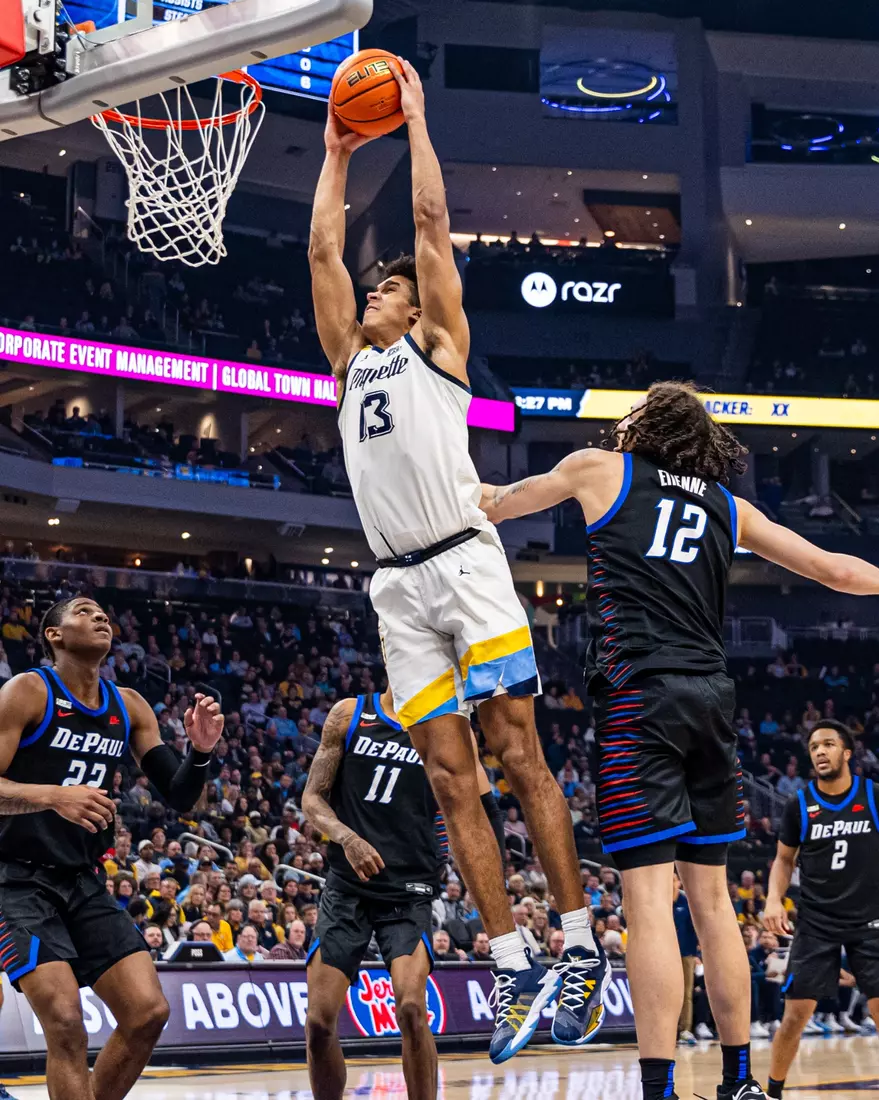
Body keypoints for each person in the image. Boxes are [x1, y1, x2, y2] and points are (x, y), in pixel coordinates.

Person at [309, 56, 604, 1064]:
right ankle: (516, 957)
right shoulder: (349, 364)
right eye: (377, 285)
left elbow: (432, 227)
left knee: (518, 753)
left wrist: (418, 122)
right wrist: (337, 156)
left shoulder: (438, 348)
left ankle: (577, 946)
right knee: (450, 778)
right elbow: (319, 259)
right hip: (396, 586)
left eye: (386, 284)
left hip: (467, 561)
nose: (378, 290)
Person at [482, 379, 879, 1100]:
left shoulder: (598, 469)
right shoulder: (727, 504)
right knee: (712, 900)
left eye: (630, 412)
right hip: (710, 701)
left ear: (647, 423)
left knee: (645, 903)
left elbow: (496, 502)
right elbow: (834, 570)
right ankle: (736, 1082)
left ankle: (658, 1089)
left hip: (640, 700)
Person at [0, 596, 223, 1100]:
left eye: (103, 613)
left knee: (148, 1013)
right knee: (65, 1023)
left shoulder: (129, 704)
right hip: (14, 880)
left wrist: (202, 752)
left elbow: (182, 795)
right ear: (53, 635)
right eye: (83, 611)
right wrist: (53, 797)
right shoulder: (28, 691)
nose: (100, 616)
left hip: (82, 879)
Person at [301, 687, 444, 1100]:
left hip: (408, 891)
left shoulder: (443, 727)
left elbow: (471, 804)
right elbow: (312, 797)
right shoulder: (349, 714)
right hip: (348, 888)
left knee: (412, 1008)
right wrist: (346, 837)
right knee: (318, 1022)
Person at [764, 720, 879, 1098]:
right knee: (795, 1016)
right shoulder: (800, 804)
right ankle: (772, 1090)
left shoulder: (873, 796)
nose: (819, 752)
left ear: (847, 753)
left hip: (870, 919)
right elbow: (783, 860)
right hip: (816, 923)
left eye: (828, 744)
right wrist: (771, 901)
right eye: (814, 746)